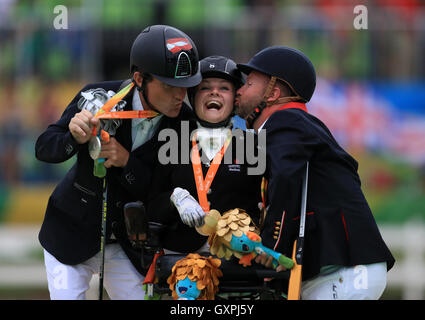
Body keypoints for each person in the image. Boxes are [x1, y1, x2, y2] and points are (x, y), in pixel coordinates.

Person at [34, 25, 201, 300]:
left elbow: (159, 192)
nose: (180, 96)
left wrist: (126, 161)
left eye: (186, 86)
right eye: (170, 86)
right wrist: (73, 137)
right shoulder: (98, 95)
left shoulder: (185, 123)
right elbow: (44, 147)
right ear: (139, 78)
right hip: (69, 233)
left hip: (126, 245)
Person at [234, 46, 395, 300]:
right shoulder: (296, 125)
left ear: (273, 93)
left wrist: (268, 249)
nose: (239, 91)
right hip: (339, 271)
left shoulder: (287, 121)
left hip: (345, 272)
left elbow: (286, 181)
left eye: (249, 83)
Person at [146, 55, 263, 254]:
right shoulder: (170, 140)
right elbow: (151, 201)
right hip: (180, 258)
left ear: (235, 98)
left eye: (224, 88)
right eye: (205, 87)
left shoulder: (253, 145)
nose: (214, 93)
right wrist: (175, 198)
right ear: (192, 97)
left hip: (237, 259)